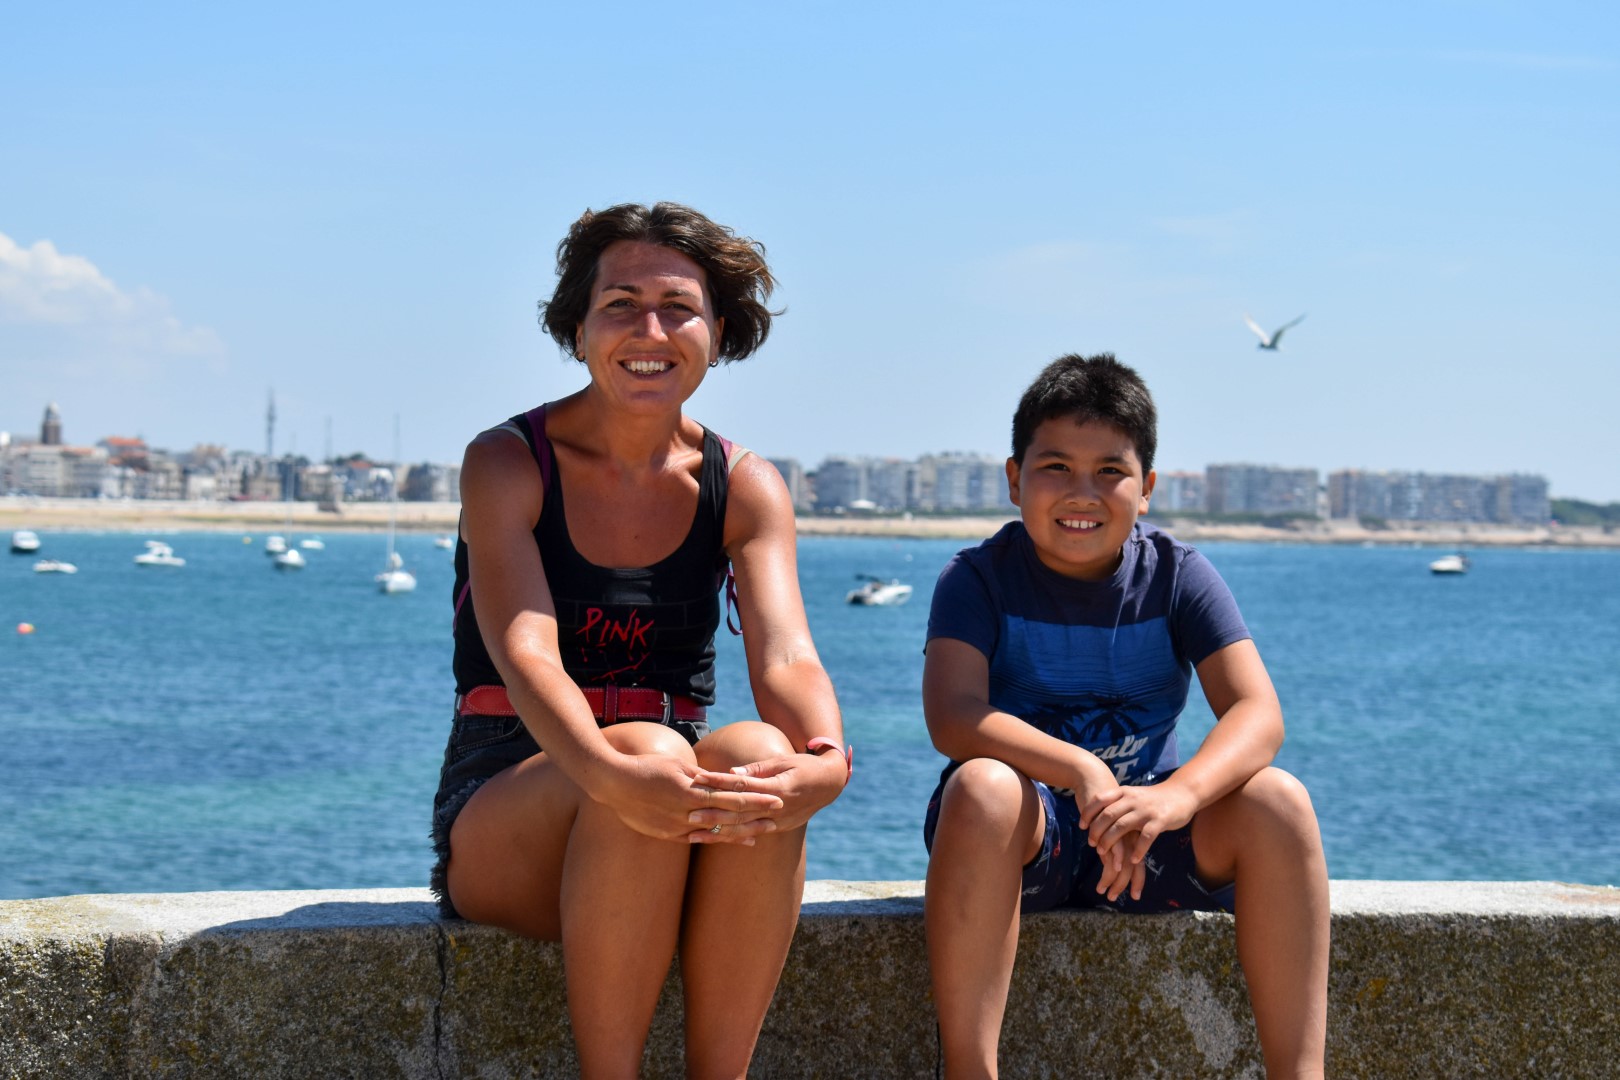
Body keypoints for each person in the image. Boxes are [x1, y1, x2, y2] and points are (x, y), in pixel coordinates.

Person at [431, 202, 850, 1078]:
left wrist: (825, 759)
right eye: (620, 303)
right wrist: (607, 768)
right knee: (650, 750)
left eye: (678, 307)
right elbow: (526, 649)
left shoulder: (744, 483)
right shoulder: (508, 463)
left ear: (717, 331)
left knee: (759, 752)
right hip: (512, 798)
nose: (648, 329)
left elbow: (786, 657)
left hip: (661, 803)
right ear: (577, 329)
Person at [921, 353, 1329, 1078]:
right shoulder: (975, 578)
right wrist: (1076, 769)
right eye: (1055, 467)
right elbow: (954, 717)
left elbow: (1257, 713)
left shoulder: (1177, 575)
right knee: (981, 785)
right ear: (1014, 479)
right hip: (1024, 839)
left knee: (1279, 800)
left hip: (1145, 842)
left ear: (1146, 490)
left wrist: (1178, 797)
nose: (1083, 493)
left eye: (1111, 471)